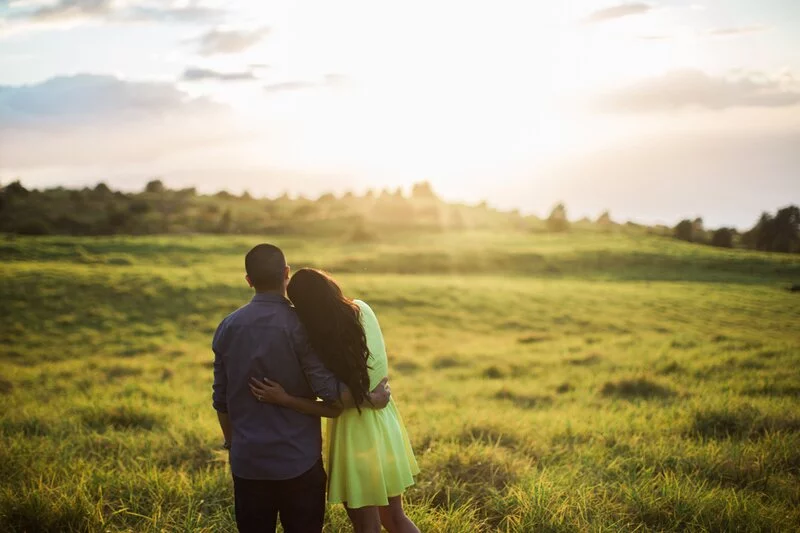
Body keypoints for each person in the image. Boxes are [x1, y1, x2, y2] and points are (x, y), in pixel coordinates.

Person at [212, 244, 391, 533]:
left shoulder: (227, 326)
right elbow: (335, 397)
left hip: (248, 463)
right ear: (286, 273)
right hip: (299, 461)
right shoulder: (302, 326)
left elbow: (220, 401)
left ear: (248, 280)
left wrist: (234, 445)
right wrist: (370, 399)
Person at [249, 268, 420, 533]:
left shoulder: (319, 339)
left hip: (355, 435)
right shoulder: (363, 309)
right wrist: (369, 398)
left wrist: (284, 398)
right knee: (395, 519)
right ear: (329, 286)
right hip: (386, 427)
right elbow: (372, 376)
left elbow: (336, 405)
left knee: (366, 527)